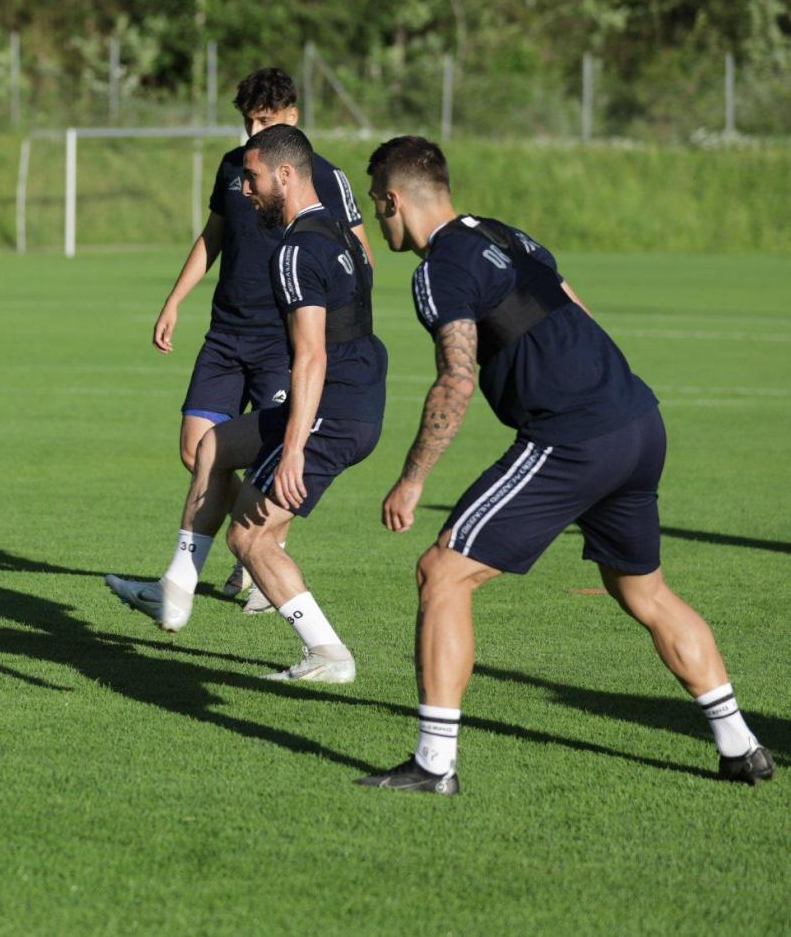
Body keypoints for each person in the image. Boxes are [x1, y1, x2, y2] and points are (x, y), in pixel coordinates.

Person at [356, 135, 774, 793]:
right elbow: (578, 308)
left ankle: (433, 763)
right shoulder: (504, 234)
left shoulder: (438, 268)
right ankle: (739, 744)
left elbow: (456, 379)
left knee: (442, 572)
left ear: (392, 200)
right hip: (636, 420)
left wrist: (412, 480)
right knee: (643, 591)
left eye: (376, 206)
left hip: (574, 435)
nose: (379, 222)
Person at [109, 126, 385, 682]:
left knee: (249, 537)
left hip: (332, 409)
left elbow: (311, 356)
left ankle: (328, 654)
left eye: (253, 178)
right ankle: (175, 589)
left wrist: (293, 449)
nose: (245, 188)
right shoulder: (338, 231)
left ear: (284, 175)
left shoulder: (296, 250)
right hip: (352, 394)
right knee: (212, 446)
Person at [150, 68, 370, 612]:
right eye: (247, 121)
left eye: (265, 121)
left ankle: (260, 553)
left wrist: (328, 328)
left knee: (267, 454)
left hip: (282, 341)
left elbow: (359, 255)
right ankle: (248, 548)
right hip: (226, 332)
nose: (253, 131)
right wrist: (175, 300)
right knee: (196, 449)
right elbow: (214, 236)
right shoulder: (235, 168)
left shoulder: (325, 177)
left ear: (292, 117)